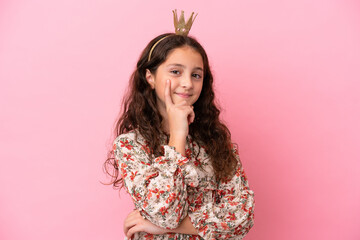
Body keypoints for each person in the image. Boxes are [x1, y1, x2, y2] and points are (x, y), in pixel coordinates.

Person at [103, 10, 255, 240]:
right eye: (175, 71)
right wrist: (177, 134)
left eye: (196, 75)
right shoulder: (130, 145)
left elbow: (242, 218)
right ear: (150, 77)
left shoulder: (216, 143)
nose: (187, 83)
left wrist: (169, 226)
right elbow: (166, 213)